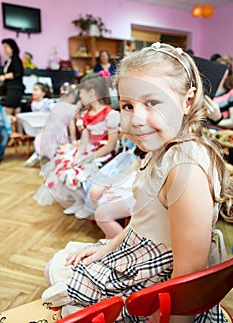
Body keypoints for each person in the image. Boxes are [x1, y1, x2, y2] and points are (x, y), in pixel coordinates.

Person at [42, 43, 232, 322]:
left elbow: (188, 274)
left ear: (188, 100)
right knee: (60, 264)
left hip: (158, 285)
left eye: (152, 102)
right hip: (136, 250)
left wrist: (167, 317)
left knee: (57, 270)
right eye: (128, 106)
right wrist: (107, 247)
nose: (137, 119)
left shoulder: (185, 168)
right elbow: (141, 219)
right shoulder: (163, 149)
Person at [39, 73, 120, 217]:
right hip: (89, 149)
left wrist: (89, 157)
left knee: (76, 173)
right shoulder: (87, 114)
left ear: (92, 92)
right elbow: (85, 137)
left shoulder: (110, 114)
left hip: (104, 154)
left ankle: (87, 204)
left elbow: (111, 145)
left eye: (81, 94)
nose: (80, 98)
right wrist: (78, 156)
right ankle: (79, 200)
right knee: (62, 166)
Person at [24, 82, 53, 167]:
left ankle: (39, 156)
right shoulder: (33, 104)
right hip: (39, 128)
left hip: (48, 128)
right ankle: (39, 156)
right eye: (33, 90)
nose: (34, 92)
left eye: (36, 90)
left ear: (43, 93)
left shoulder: (47, 102)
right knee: (38, 141)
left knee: (41, 142)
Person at [0, 38, 25, 117]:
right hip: (10, 88)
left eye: (6, 47)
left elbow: (17, 73)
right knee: (17, 114)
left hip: (15, 88)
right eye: (3, 47)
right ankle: (17, 129)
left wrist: (4, 77)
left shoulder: (16, 60)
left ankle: (7, 129)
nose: (4, 49)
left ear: (12, 47)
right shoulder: (9, 61)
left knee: (6, 112)